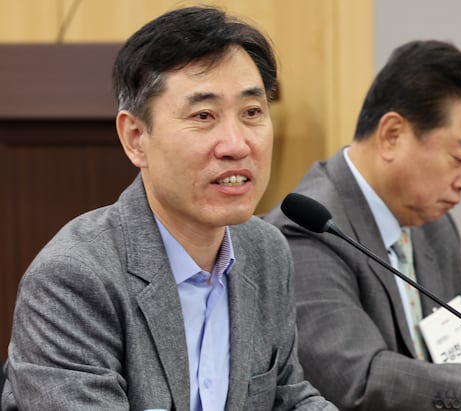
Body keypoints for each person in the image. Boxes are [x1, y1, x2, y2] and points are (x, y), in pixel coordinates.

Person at [1, 6, 336, 411]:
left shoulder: (266, 250)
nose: (236, 144)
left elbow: (287, 395)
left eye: (251, 112)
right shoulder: (73, 278)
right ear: (135, 137)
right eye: (203, 115)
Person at [264, 40, 461, 410]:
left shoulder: (428, 221)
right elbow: (359, 381)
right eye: (459, 158)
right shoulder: (311, 231)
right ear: (392, 135)